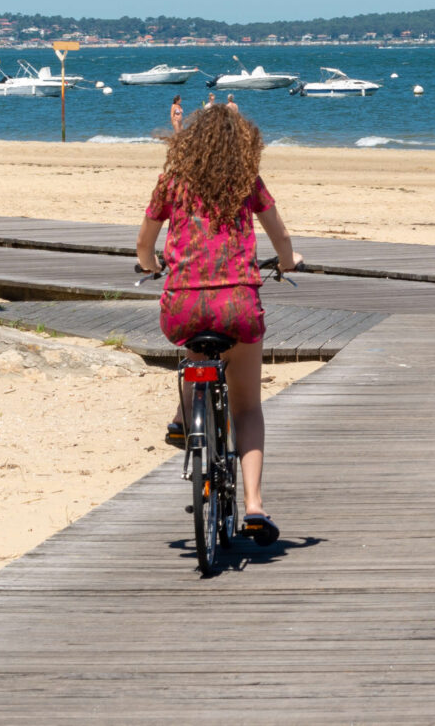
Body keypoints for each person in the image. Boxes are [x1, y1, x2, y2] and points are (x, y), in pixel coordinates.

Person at [136, 100, 299, 542]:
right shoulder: (248, 181)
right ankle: (254, 505)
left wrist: (151, 265)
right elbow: (279, 235)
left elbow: (144, 244)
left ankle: (186, 416)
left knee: (195, 353)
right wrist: (289, 261)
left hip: (184, 306)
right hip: (238, 306)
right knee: (247, 406)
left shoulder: (171, 182)